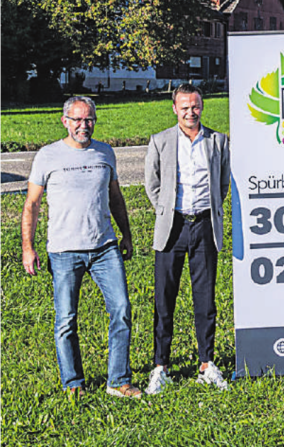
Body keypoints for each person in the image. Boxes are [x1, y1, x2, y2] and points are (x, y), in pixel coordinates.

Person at [21, 96, 140, 399]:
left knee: (122, 309)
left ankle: (119, 380)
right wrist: (28, 247)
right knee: (66, 320)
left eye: (88, 120)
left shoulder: (105, 152)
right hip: (63, 251)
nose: (83, 125)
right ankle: (74, 383)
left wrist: (125, 234)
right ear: (65, 121)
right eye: (77, 120)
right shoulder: (48, 156)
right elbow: (31, 204)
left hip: (104, 246)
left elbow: (115, 197)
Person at [143, 84, 231, 394]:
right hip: (172, 227)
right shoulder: (161, 141)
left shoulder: (218, 142)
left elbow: (222, 184)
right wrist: (167, 211)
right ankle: (160, 366)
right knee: (164, 299)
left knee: (205, 299)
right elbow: (152, 183)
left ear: (202, 106)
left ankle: (206, 363)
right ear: (174, 109)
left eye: (194, 106)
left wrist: (210, 210)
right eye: (184, 107)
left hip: (204, 224)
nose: (190, 112)